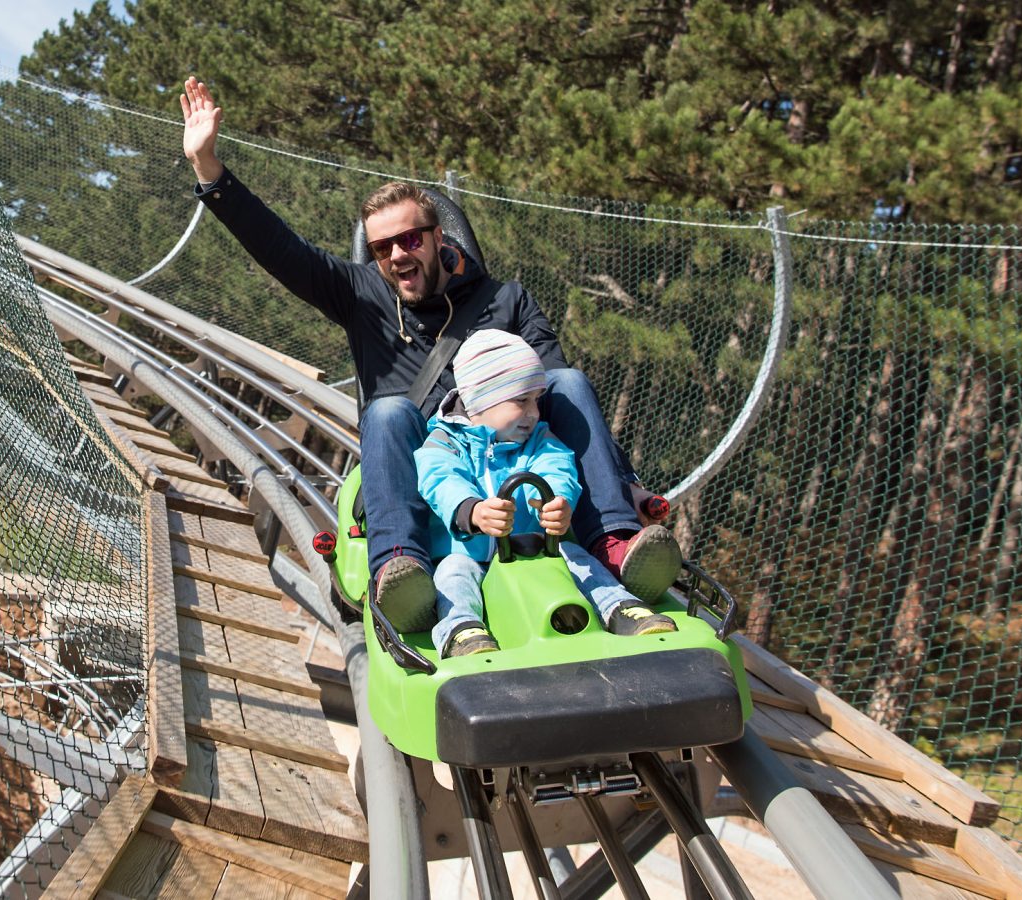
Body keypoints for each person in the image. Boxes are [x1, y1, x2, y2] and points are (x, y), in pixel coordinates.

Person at [180, 77, 680, 632]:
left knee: (567, 379)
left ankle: (613, 541)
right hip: (428, 462)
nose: (398, 254)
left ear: (439, 238)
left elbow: (558, 400)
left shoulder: (505, 300)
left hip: (519, 461)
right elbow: (281, 250)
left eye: (411, 239)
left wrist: (627, 478)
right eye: (382, 247)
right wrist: (209, 170)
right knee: (389, 410)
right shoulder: (362, 294)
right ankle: (402, 567)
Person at [416, 330, 676, 657]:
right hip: (470, 552)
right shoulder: (446, 440)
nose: (534, 413)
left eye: (536, 400)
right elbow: (439, 477)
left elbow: (557, 463)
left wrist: (554, 499)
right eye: (521, 401)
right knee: (453, 575)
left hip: (535, 549)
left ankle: (620, 605)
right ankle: (461, 628)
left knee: (576, 558)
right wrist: (472, 510)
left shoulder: (538, 439)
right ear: (482, 399)